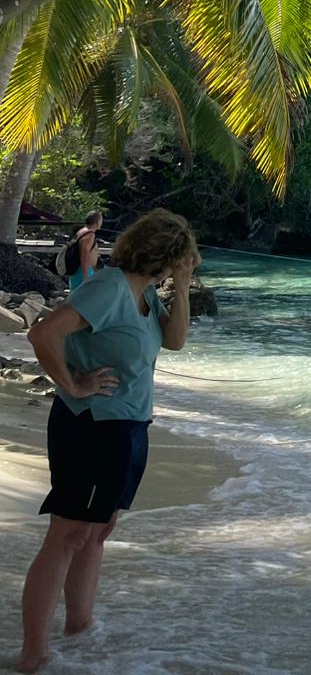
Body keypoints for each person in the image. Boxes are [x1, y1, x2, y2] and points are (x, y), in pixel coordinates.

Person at [17, 208, 199, 673]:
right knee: (68, 535)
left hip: (129, 427)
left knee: (96, 532)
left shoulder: (142, 296)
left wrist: (181, 285)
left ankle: (79, 630)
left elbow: (175, 340)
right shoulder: (110, 288)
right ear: (166, 254)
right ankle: (33, 654)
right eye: (183, 257)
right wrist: (73, 385)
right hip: (93, 425)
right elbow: (43, 333)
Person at [58, 211, 103, 293]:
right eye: (101, 220)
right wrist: (86, 275)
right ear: (97, 221)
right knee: (83, 296)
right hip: (82, 271)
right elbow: (84, 255)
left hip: (81, 269)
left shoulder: (82, 231)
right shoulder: (89, 235)